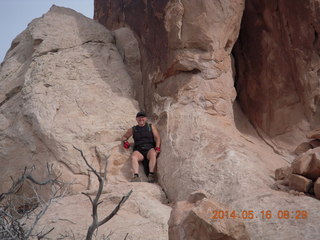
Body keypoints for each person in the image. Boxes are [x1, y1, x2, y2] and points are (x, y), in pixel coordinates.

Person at [121, 111, 161, 183]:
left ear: (146, 119)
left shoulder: (150, 126)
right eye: (139, 117)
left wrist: (157, 147)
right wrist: (125, 142)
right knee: (134, 157)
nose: (141, 119)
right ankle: (136, 176)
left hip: (149, 148)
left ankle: (151, 175)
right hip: (139, 150)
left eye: (142, 117)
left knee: (153, 154)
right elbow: (124, 137)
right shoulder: (133, 129)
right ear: (136, 119)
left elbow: (157, 137)